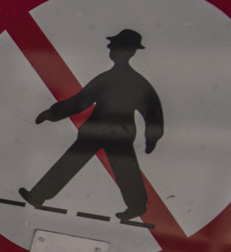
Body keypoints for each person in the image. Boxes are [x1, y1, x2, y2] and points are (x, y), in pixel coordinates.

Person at [18, 28, 164, 221]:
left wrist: (152, 137)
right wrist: (52, 114)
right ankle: (38, 196)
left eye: (115, 47)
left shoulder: (128, 81)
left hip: (112, 133)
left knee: (125, 170)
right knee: (73, 162)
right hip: (101, 131)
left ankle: (137, 206)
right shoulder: (118, 80)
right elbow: (81, 101)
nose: (110, 49)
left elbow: (151, 111)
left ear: (127, 52)